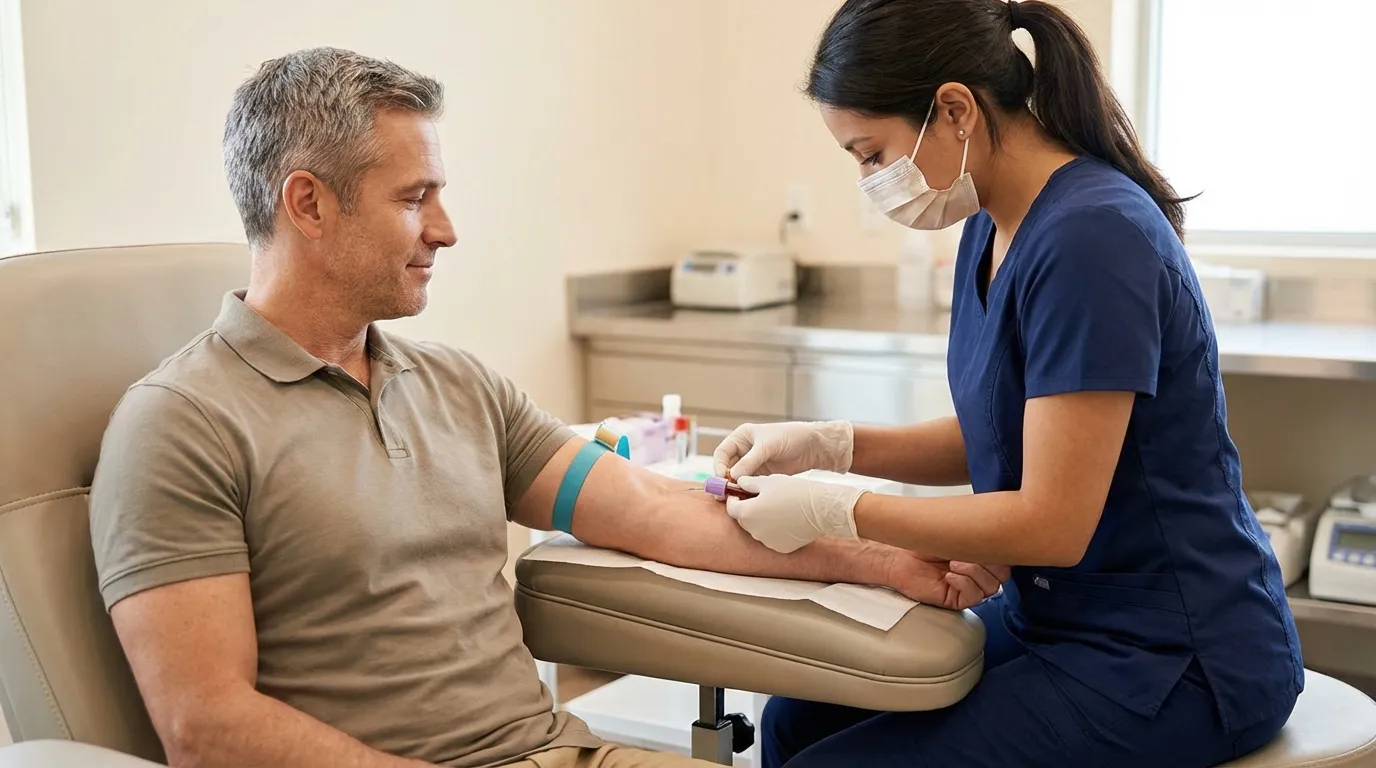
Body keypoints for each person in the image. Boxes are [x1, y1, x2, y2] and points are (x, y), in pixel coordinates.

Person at [87, 46, 1007, 768]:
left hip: (560, 750)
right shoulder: (181, 426)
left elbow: (652, 513)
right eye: (416, 198)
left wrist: (884, 558)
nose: (446, 228)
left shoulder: (457, 385)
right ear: (308, 204)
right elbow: (208, 731)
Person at [711, 1, 1304, 766]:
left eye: (871, 153)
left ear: (954, 109)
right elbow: (1004, 432)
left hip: (1173, 655)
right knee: (795, 719)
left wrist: (840, 510)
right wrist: (831, 446)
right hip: (1057, 618)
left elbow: (1053, 521)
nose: (870, 181)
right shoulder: (991, 227)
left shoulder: (1094, 237)